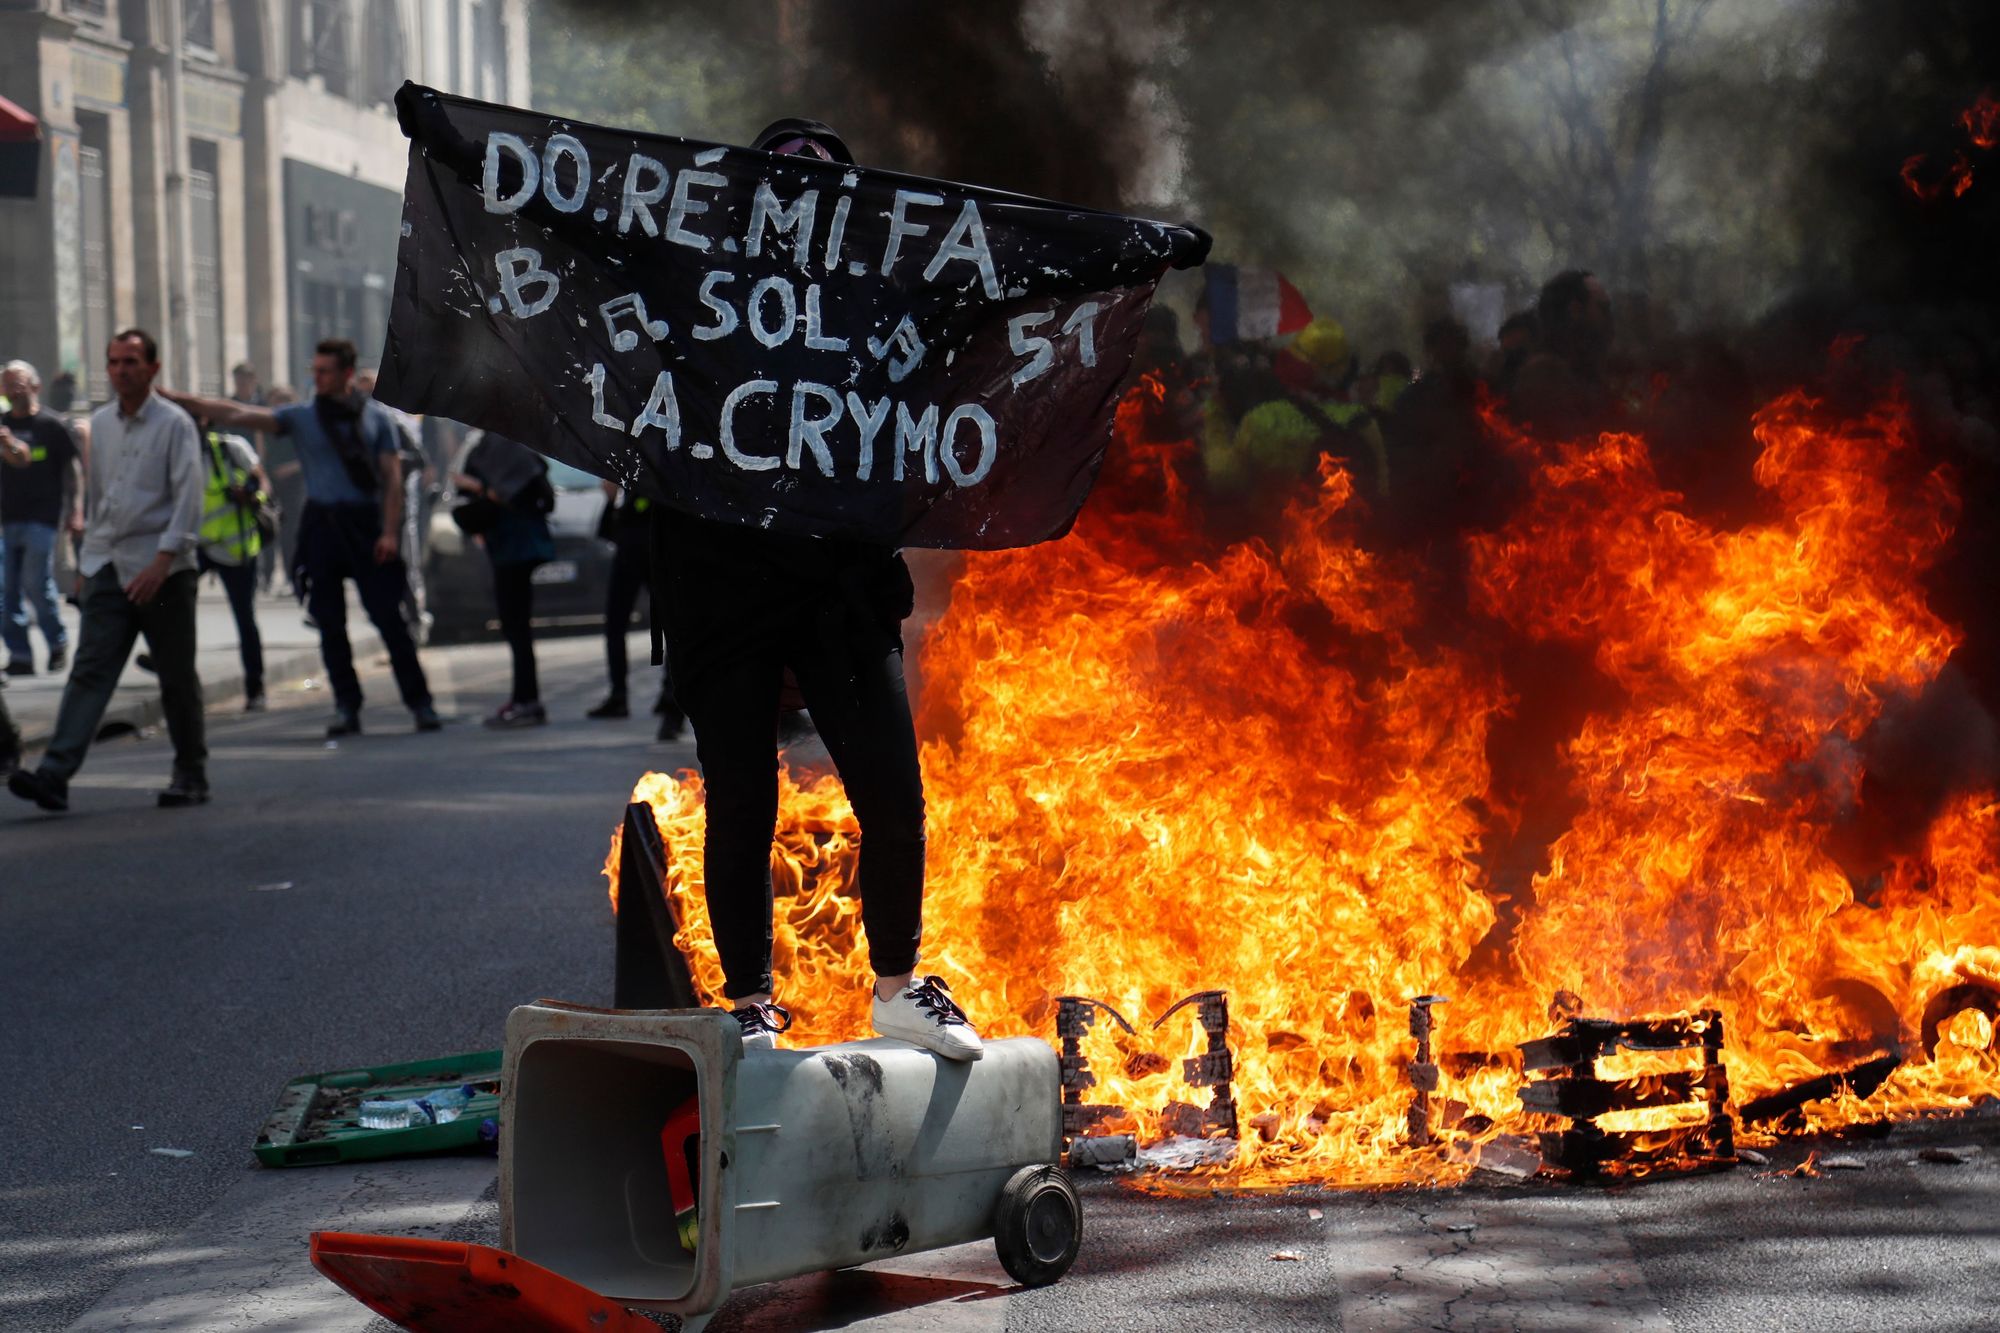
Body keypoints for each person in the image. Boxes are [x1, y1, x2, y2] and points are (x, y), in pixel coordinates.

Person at [648, 118, 982, 1061]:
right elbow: (581, 227)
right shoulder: (694, 286)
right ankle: (750, 999)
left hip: (839, 587)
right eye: (785, 179)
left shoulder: (880, 301)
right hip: (722, 589)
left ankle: (900, 985)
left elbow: (995, 279)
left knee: (894, 792)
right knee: (742, 801)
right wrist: (465, 148)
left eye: (826, 184)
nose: (804, 196)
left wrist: (1128, 254)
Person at [165, 339, 440, 738]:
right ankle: (347, 706)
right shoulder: (305, 417)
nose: (317, 378)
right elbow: (241, 413)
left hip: (365, 526)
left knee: (388, 619)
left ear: (346, 374)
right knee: (330, 624)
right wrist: (182, 399)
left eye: (324, 371)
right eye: (314, 370)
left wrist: (390, 533)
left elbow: (392, 480)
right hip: (323, 527)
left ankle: (421, 704)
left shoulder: (376, 419)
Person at [7, 330, 209, 812]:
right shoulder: (101, 423)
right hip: (108, 567)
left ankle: (191, 773)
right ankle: (55, 775)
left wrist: (163, 562)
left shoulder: (175, 425)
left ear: (153, 369)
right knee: (90, 671)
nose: (122, 370)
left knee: (176, 676)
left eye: (132, 362)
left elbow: (188, 500)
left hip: (163, 572)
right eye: (115, 362)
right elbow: (100, 500)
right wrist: (87, 563)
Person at [452, 431, 554, 728]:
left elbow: (497, 493)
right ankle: (525, 698)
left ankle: (526, 701)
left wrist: (480, 488)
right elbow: (546, 500)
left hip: (512, 550)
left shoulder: (495, 450)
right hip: (519, 548)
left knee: (516, 629)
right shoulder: (524, 448)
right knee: (517, 629)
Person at [0, 360, 84, 676]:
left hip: (44, 516)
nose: (13, 388)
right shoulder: (3, 424)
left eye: (18, 382)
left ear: (34, 386)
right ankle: (20, 654)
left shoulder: (52, 425)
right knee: (6, 589)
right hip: (9, 517)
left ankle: (57, 641)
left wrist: (76, 510)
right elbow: (13, 459)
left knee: (35, 582)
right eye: (7, 383)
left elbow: (72, 470)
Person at [588, 483, 685, 740]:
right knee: (616, 624)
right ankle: (620, 694)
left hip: (657, 546)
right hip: (631, 547)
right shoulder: (627, 464)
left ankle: (671, 701)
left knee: (672, 626)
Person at [193, 414, 271, 711]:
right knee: (169, 609)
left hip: (235, 548)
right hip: (197, 546)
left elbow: (259, 478)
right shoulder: (175, 451)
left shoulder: (229, 448)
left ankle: (256, 688)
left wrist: (252, 494)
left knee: (244, 618)